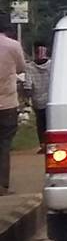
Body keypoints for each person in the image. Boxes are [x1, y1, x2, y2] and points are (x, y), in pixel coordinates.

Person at [0, 21, 23, 195]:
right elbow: (21, 67)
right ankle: (2, 185)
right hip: (7, 103)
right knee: (4, 144)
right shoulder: (13, 46)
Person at [28, 42, 50, 152]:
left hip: (37, 100)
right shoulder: (52, 64)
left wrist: (27, 99)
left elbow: (28, 85)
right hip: (51, 100)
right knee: (50, 123)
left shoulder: (29, 67)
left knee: (40, 123)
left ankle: (43, 145)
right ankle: (51, 144)